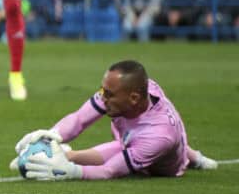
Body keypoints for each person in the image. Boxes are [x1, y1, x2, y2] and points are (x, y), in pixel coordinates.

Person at [14, 60, 218, 180]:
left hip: (157, 165)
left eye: (109, 94)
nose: (103, 98)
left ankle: (194, 158)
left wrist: (71, 172)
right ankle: (195, 156)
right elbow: (79, 119)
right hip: (135, 137)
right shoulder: (129, 92)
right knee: (123, 142)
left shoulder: (158, 136)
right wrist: (52, 135)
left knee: (128, 147)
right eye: (103, 91)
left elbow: (110, 170)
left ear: (134, 98)